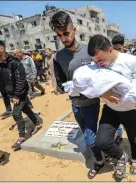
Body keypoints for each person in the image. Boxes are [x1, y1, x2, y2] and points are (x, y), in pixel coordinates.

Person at [49, 11, 103, 179]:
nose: (63, 38)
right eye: (59, 35)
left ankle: (100, 161)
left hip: (91, 104)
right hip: (75, 105)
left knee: (89, 138)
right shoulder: (58, 57)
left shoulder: (90, 51)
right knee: (87, 131)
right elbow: (62, 81)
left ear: (75, 30)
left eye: (66, 33)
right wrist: (66, 88)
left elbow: (103, 76)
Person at [88, 34, 136, 179]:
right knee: (102, 141)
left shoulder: (130, 61)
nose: (98, 64)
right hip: (111, 109)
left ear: (110, 50)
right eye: (95, 61)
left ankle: (135, 158)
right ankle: (121, 156)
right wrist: (103, 93)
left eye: (101, 60)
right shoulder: (95, 64)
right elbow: (90, 85)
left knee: (134, 139)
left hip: (131, 110)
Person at [0, 39, 42, 151]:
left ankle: (22, 136)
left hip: (20, 91)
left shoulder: (15, 62)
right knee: (25, 109)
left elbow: (20, 80)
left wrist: (17, 95)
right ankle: (37, 122)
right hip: (10, 92)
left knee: (16, 113)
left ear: (1, 48)